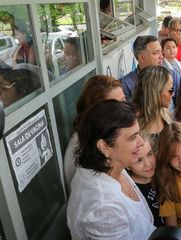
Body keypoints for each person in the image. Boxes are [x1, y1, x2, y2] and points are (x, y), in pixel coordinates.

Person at [67, 100, 156, 239]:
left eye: (138, 134)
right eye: (133, 137)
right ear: (105, 147)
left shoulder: (113, 164)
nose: (141, 142)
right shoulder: (103, 208)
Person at [64, 75, 125, 192]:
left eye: (123, 101)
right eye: (114, 106)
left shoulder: (110, 129)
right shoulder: (79, 147)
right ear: (95, 110)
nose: (124, 109)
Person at [126, 134, 164, 227]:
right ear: (127, 165)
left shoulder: (163, 174)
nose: (148, 164)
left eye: (150, 154)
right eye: (139, 160)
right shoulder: (130, 190)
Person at [132, 65, 173, 144]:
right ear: (156, 92)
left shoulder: (165, 114)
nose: (173, 94)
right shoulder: (134, 127)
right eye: (171, 90)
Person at [120, 35, 163, 101]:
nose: (161, 57)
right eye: (155, 53)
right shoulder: (125, 84)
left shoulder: (169, 75)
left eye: (161, 52)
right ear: (141, 57)